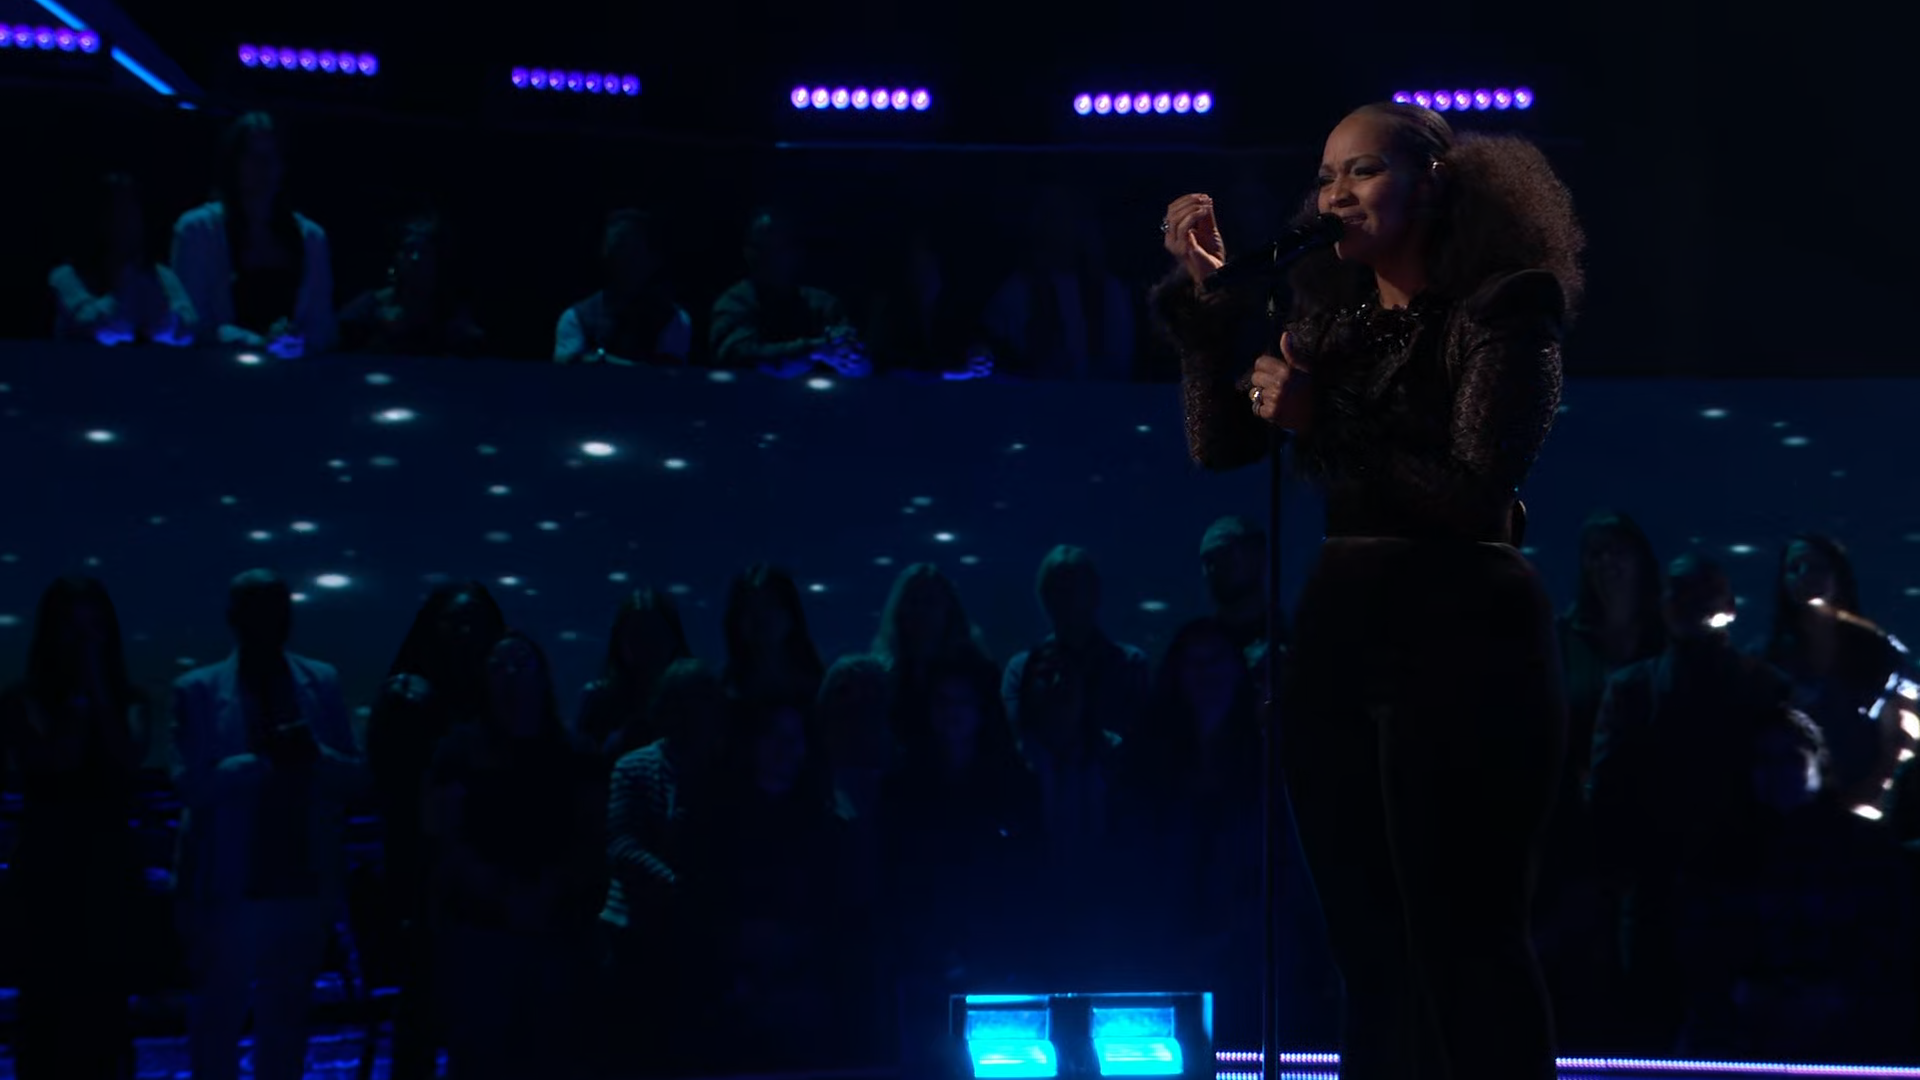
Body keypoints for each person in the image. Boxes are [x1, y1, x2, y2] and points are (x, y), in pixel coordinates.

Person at [1155, 101, 1584, 1080]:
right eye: (1325, 177)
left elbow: (1474, 491)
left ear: (1433, 183)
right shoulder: (1332, 323)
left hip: (1467, 634)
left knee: (1467, 936)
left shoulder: (1508, 309)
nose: (1334, 196)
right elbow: (1220, 444)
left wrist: (1325, 419)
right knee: (1368, 944)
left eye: (1362, 171)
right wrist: (1208, 307)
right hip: (1345, 637)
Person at [171, 570, 365, 1080]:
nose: (268, 621)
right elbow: (189, 787)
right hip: (234, 886)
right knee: (222, 1020)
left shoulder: (320, 681)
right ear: (234, 618)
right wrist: (262, 762)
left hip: (301, 881)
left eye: (275, 608)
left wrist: (310, 755)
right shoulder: (197, 689)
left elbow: (354, 776)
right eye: (258, 609)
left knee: (282, 1024)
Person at [0, 577, 150, 1080]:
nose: (85, 639)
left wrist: (97, 692)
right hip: (47, 871)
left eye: (94, 627)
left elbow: (127, 759)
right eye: (72, 626)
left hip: (108, 871)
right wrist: (83, 701)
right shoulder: (20, 700)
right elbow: (54, 760)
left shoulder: (131, 700)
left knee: (108, 1008)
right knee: (46, 1008)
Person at [171, 112, 336, 358]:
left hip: (291, 376)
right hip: (216, 372)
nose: (264, 167)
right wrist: (255, 342)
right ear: (233, 164)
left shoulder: (312, 238)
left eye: (271, 157)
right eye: (253, 156)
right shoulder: (197, 231)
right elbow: (190, 324)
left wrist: (295, 339)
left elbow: (323, 327)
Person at [709, 208, 867, 378]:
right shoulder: (733, 304)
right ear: (748, 253)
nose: (772, 258)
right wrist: (815, 350)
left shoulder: (824, 305)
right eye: (763, 249)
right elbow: (740, 359)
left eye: (781, 248)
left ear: (797, 252)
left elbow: (863, 370)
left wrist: (850, 355)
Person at [49, 173, 196, 346]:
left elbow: (188, 328)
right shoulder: (66, 276)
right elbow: (92, 327)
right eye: (118, 213)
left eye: (133, 213)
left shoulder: (162, 276)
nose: (127, 223)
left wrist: (162, 315)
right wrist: (126, 289)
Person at [554, 210, 693, 365]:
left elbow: (667, 374)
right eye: (616, 249)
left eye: (633, 251)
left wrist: (599, 360)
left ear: (653, 259)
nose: (622, 260)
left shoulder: (673, 319)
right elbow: (564, 368)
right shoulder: (577, 317)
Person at [337, 214, 484, 355]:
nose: (415, 258)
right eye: (409, 250)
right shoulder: (370, 307)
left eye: (424, 251)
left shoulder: (451, 313)